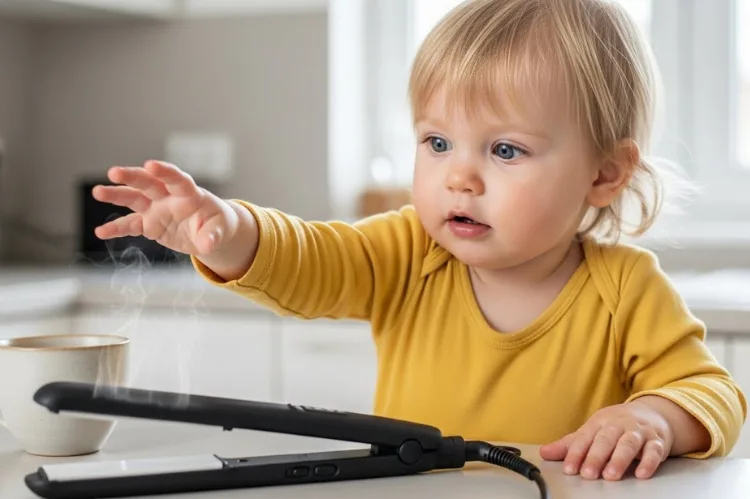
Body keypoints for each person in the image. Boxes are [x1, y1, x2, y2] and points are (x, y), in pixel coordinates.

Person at [92, 0, 746, 483]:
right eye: (437, 142)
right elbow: (311, 261)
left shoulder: (626, 287)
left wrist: (654, 417)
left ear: (604, 172)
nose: (458, 175)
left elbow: (709, 390)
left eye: (505, 149)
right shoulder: (409, 251)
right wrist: (229, 231)